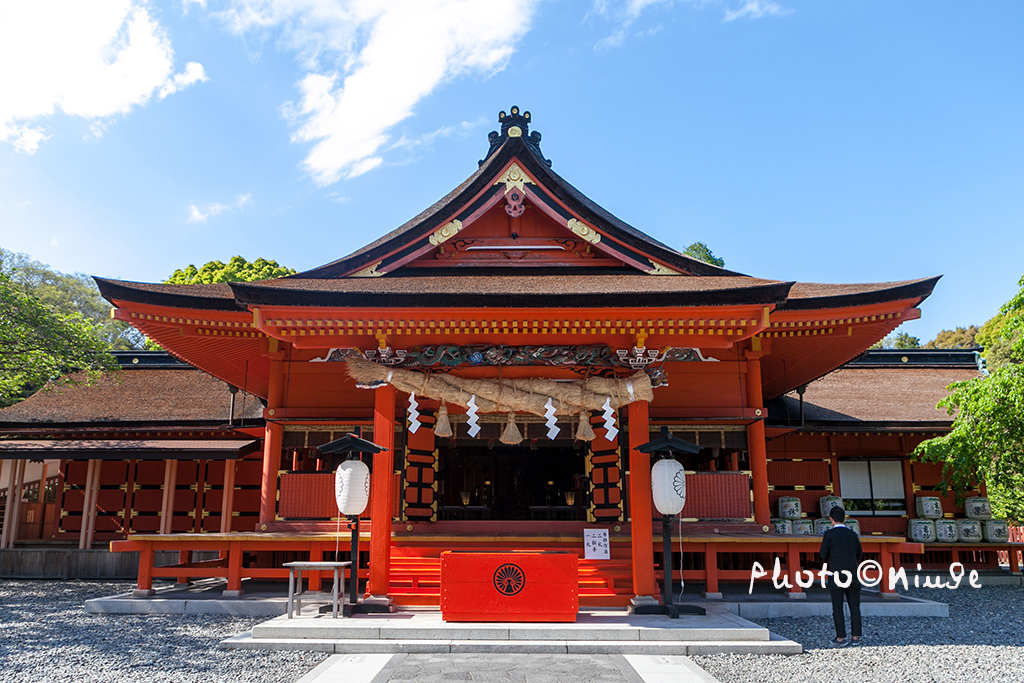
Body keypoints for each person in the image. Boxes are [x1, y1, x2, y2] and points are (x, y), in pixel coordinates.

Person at [818, 506, 863, 647]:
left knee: (837, 606)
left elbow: (823, 554)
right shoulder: (852, 534)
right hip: (852, 573)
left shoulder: (829, 535)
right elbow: (860, 554)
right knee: (854, 606)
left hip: (836, 574)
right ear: (844, 519)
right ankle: (855, 637)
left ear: (831, 520)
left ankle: (840, 637)